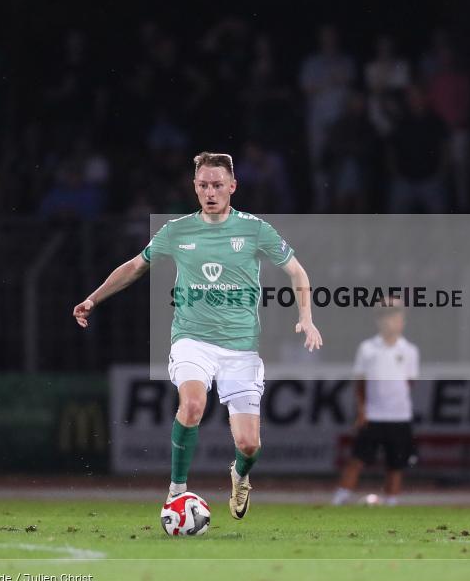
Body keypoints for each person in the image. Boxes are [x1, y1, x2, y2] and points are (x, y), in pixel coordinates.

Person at [73, 152, 322, 520]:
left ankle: (240, 475)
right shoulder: (176, 230)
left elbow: (297, 272)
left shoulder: (255, 230)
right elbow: (135, 267)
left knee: (249, 444)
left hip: (240, 348)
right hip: (192, 340)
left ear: (233, 187)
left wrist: (307, 317)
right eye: (203, 185)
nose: (210, 191)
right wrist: (94, 297)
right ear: (194, 187)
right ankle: (177, 490)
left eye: (218, 185)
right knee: (191, 405)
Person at [332, 300, 419, 506]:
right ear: (379, 321)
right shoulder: (368, 348)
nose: (394, 322)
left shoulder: (409, 350)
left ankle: (391, 500)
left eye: (398, 317)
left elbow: (410, 382)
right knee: (357, 459)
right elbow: (360, 383)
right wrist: (362, 410)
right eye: (389, 317)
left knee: (396, 463)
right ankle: (341, 498)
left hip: (399, 416)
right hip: (374, 414)